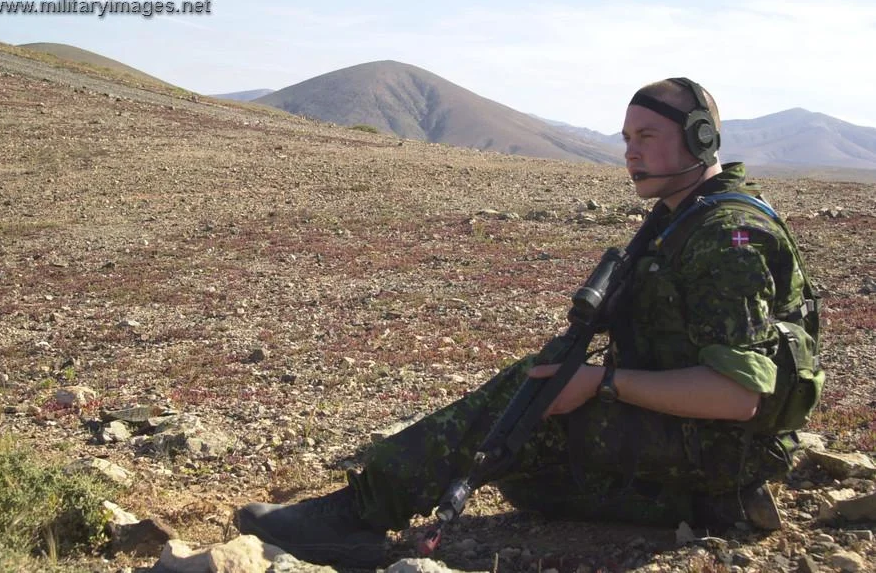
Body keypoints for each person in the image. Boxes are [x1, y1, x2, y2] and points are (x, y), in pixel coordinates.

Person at [234, 78, 822, 568]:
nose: (631, 153)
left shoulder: (727, 238)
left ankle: (357, 513)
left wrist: (604, 384)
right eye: (626, 139)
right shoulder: (681, 217)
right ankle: (712, 504)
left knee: (530, 403)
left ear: (700, 139)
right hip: (694, 433)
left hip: (730, 439)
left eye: (647, 137)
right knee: (522, 478)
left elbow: (739, 395)